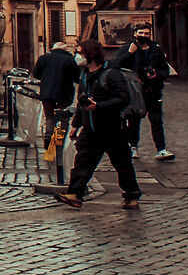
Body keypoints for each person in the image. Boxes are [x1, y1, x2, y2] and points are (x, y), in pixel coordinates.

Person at [47, 40, 143, 209]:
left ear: (89, 55)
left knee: (122, 163)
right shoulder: (84, 75)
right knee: (83, 161)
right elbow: (81, 102)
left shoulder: (111, 74)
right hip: (90, 129)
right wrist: (76, 124)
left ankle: (131, 196)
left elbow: (123, 99)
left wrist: (98, 106)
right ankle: (75, 194)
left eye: (80, 52)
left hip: (112, 128)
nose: (77, 56)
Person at [30, 36, 80, 178]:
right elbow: (77, 77)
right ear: (64, 50)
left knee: (50, 116)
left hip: (47, 93)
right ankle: (60, 141)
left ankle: (48, 137)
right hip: (64, 94)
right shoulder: (70, 60)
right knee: (63, 118)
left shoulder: (43, 58)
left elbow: (36, 74)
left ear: (52, 49)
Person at [122, 24, 173, 160]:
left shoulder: (156, 50)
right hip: (134, 92)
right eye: (141, 33)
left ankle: (161, 149)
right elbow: (117, 65)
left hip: (153, 91)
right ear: (135, 34)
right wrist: (129, 54)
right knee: (133, 121)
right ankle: (133, 147)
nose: (144, 36)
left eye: (146, 33)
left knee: (156, 120)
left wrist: (157, 75)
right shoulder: (128, 48)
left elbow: (165, 70)